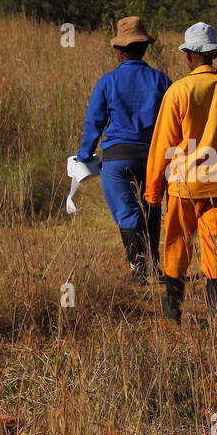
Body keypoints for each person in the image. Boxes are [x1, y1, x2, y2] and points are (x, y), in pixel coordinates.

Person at [145, 22, 217, 324]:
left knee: (177, 245)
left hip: (183, 184)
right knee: (216, 249)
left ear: (188, 56)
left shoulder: (178, 91)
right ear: (214, 54)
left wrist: (153, 190)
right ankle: (216, 314)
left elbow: (162, 144)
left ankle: (173, 306)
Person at [76, 16, 171, 284]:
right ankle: (153, 265)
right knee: (151, 208)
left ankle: (138, 268)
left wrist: (85, 154)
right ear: (145, 48)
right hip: (153, 157)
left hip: (117, 158)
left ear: (119, 50)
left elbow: (94, 122)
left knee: (127, 211)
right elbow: (174, 118)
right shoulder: (161, 80)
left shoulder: (107, 81)